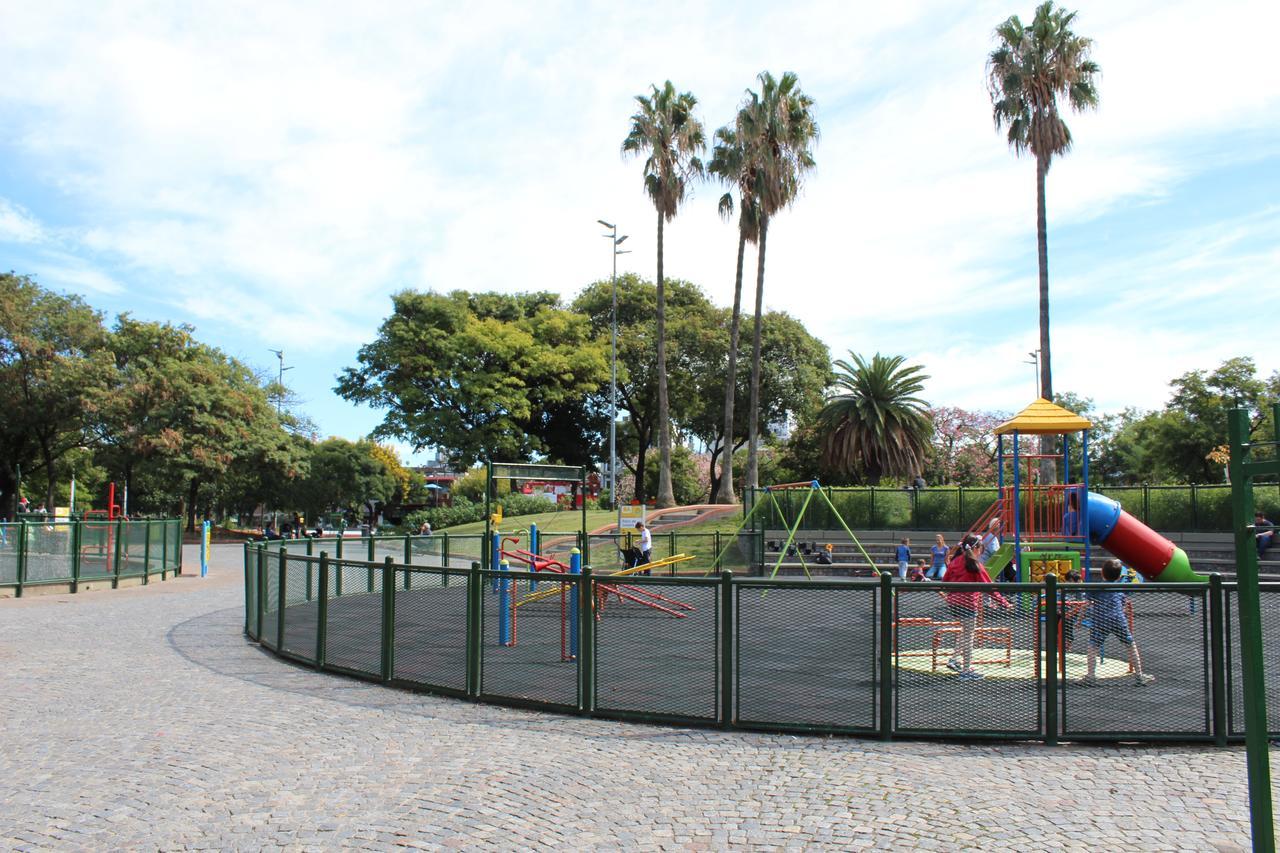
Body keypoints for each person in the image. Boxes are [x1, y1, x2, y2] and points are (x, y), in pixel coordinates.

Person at [942, 534, 1012, 681]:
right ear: (977, 549)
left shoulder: (955, 562)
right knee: (969, 635)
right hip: (968, 605)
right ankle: (966, 670)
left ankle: (954, 659)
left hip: (953, 604)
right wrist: (1004, 603)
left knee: (965, 631)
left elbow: (945, 580)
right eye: (981, 548)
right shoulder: (975, 565)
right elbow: (989, 587)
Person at [1081, 559, 1155, 686]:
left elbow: (1086, 604)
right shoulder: (1121, 587)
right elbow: (1123, 603)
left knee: (1093, 646)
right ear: (1120, 576)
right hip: (1118, 619)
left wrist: (1080, 619)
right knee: (1130, 644)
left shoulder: (1096, 588)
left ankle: (1091, 676)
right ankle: (1139, 675)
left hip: (1101, 620)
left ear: (1102, 573)